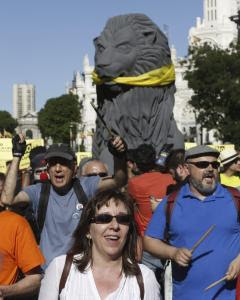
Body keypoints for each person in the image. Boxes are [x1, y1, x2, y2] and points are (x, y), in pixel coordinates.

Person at [1, 134, 127, 269]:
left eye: (64, 163)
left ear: (74, 168)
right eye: (53, 163)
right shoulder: (38, 192)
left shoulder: (85, 186)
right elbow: (7, 199)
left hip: (80, 272)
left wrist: (118, 156)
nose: (58, 168)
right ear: (47, 169)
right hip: (47, 273)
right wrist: (17, 155)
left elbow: (118, 181)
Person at [144, 145, 240, 300]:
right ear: (187, 169)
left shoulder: (235, 198)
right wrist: (173, 253)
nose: (210, 169)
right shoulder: (171, 202)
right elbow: (149, 240)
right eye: (202, 165)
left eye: (214, 165)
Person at [38, 189, 161, 300]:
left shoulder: (145, 278)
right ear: (87, 230)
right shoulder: (60, 269)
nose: (115, 226)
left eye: (123, 219)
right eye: (104, 218)